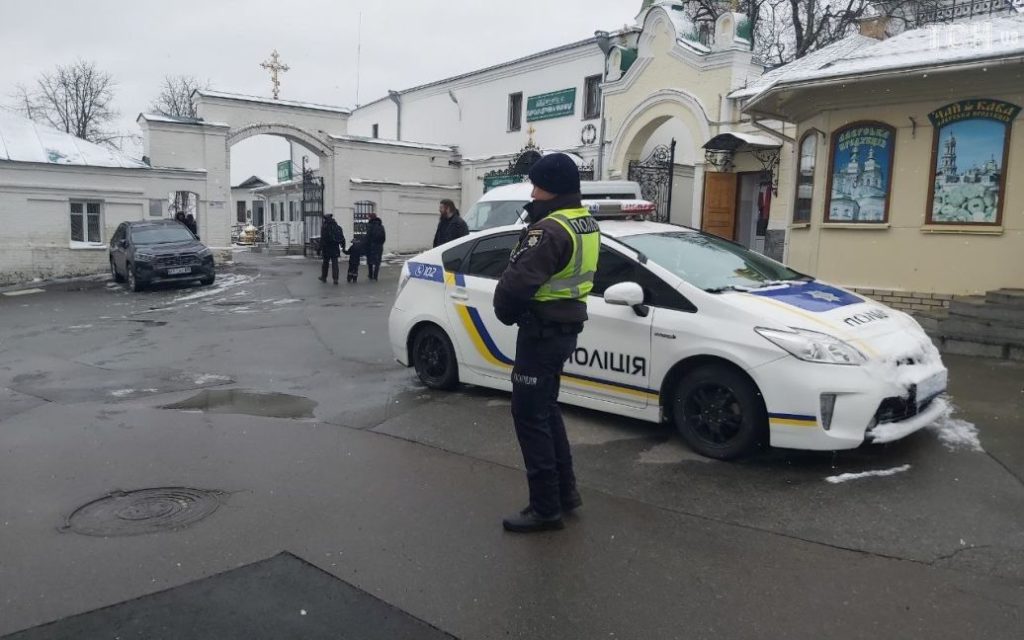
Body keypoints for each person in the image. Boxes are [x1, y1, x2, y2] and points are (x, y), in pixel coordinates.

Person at [493, 153, 599, 534]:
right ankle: (565, 494)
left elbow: (518, 284)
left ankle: (545, 508)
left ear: (549, 187)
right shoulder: (583, 222)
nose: (532, 192)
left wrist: (502, 307)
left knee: (529, 416)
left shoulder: (549, 230)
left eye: (536, 185)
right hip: (563, 330)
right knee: (546, 410)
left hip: (540, 333)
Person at [318, 214, 345, 285]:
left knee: (325, 263)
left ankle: (324, 277)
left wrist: (319, 248)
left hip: (326, 248)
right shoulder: (337, 227)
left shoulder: (325, 227)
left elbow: (322, 239)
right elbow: (342, 238)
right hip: (335, 247)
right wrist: (343, 246)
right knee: (335, 264)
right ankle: (335, 279)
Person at [365, 212, 386, 281]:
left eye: (369, 217)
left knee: (370, 261)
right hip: (379, 246)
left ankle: (370, 275)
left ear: (370, 218)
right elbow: (384, 237)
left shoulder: (370, 225)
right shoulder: (381, 226)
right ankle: (375, 275)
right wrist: (380, 243)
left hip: (371, 246)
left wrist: (366, 244)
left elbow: (367, 237)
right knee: (377, 261)